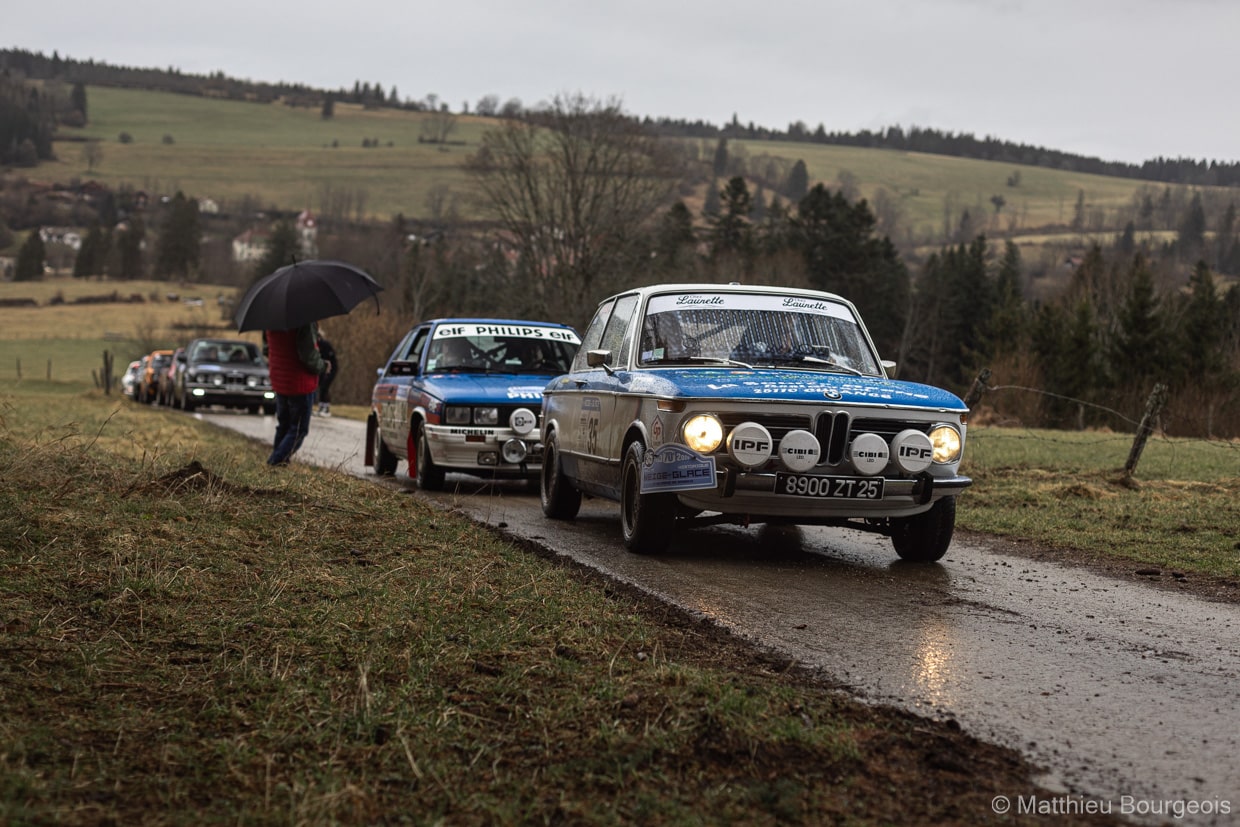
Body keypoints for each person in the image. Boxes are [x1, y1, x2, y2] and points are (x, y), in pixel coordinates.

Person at [263, 322, 330, 466]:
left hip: (280, 379)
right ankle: (275, 461)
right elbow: (308, 355)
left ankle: (280, 464)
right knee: (299, 429)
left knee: (284, 425)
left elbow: (266, 349)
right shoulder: (304, 320)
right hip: (299, 382)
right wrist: (323, 366)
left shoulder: (271, 319)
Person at [315, 332, 339, 416]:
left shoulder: (325, 345)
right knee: (321, 387)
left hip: (331, 369)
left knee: (325, 387)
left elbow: (331, 359)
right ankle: (321, 406)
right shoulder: (317, 346)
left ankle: (326, 407)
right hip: (323, 369)